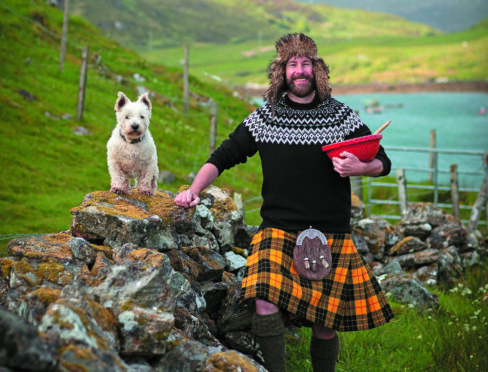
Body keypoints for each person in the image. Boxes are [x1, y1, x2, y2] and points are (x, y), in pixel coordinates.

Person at [175, 33, 394, 372]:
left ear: (317, 70)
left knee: (326, 320)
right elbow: (224, 156)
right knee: (264, 299)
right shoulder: (266, 117)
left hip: (332, 231)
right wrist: (192, 189)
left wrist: (361, 166)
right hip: (277, 229)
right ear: (282, 73)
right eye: (293, 65)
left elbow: (383, 161)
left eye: (306, 63)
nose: (300, 70)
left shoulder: (341, 117)